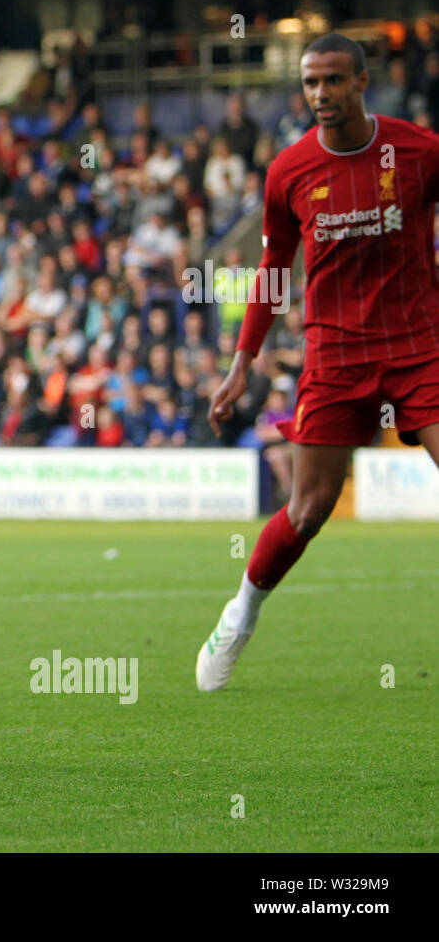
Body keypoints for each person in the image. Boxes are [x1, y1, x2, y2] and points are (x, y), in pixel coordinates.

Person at [200, 34, 439, 691]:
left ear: (364, 83)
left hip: (421, 346)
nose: (321, 95)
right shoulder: (290, 170)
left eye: (334, 81)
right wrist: (242, 361)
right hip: (334, 355)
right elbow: (274, 270)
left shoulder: (418, 150)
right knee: (309, 510)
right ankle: (241, 613)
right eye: (310, 83)